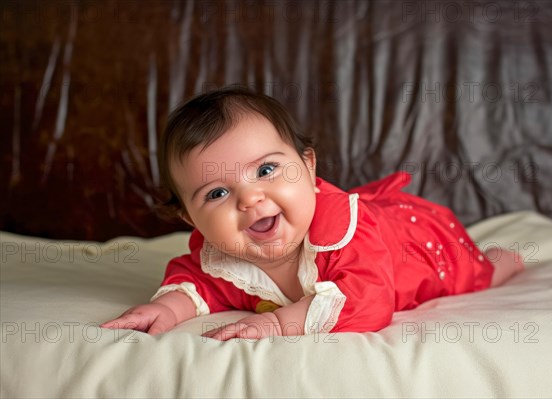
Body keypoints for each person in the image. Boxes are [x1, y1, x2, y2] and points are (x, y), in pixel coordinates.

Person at [101, 86, 524, 340]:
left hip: (421, 242)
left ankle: (501, 261)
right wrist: (169, 308)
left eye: (266, 169)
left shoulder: (349, 237)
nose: (250, 199)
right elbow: (199, 282)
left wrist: (277, 324)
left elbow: (369, 302)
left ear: (309, 167)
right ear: (192, 220)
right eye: (216, 192)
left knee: (471, 270)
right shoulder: (221, 254)